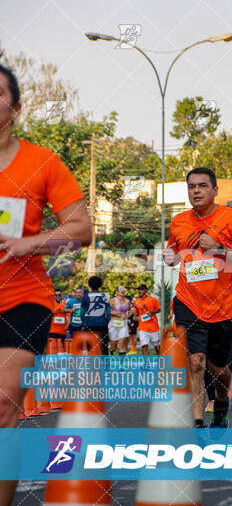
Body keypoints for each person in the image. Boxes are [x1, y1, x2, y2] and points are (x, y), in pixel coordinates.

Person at [0, 64, 91, 506]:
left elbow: (81, 227)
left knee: (3, 408)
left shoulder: (43, 162)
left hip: (21, 299)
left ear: (15, 107)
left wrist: (30, 242)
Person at [163, 167, 232, 428]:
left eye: (202, 186)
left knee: (219, 370)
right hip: (189, 301)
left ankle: (221, 403)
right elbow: (174, 250)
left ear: (215, 190)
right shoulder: (179, 220)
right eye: (192, 186)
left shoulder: (230, 217)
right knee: (195, 361)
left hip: (223, 306)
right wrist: (171, 257)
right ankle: (198, 421)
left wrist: (219, 248)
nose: (196, 191)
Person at [81, 276, 111, 355]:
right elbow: (108, 311)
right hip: (102, 324)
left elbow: (81, 312)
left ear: (89, 285)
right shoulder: (104, 296)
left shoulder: (85, 296)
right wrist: (106, 320)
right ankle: (106, 365)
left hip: (89, 324)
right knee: (104, 346)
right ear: (100, 285)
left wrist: (83, 321)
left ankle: (92, 365)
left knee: (90, 346)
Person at [133, 284, 161, 355]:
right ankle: (146, 364)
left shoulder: (152, 299)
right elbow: (136, 311)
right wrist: (134, 314)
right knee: (144, 345)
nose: (140, 291)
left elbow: (159, 309)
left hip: (154, 327)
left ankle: (160, 360)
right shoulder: (136, 301)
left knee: (157, 347)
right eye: (139, 289)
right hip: (143, 328)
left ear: (146, 290)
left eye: (142, 289)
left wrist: (152, 312)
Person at [108, 286, 130, 356]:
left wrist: (128, 315)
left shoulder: (127, 301)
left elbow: (130, 311)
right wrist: (115, 313)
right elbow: (107, 311)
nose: (122, 290)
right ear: (117, 292)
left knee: (122, 344)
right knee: (113, 346)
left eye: (123, 289)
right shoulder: (113, 300)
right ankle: (111, 350)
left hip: (123, 324)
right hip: (113, 324)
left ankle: (121, 365)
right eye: (120, 289)